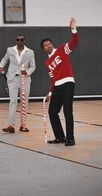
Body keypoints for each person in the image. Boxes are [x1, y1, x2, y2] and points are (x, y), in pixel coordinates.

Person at [41, 17, 79, 146]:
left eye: (49, 44)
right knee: (52, 112)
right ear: (43, 49)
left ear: (52, 44)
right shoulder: (47, 63)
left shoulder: (62, 49)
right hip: (57, 87)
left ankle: (70, 138)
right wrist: (50, 93)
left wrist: (73, 29)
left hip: (68, 84)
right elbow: (52, 79)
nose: (48, 46)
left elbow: (74, 43)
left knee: (67, 111)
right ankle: (60, 137)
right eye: (45, 46)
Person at [0, 34, 36, 133]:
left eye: (21, 39)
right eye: (18, 39)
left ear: (24, 40)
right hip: (12, 79)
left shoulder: (30, 52)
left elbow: (33, 66)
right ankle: (11, 126)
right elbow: (4, 59)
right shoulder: (10, 50)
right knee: (13, 101)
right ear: (16, 40)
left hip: (25, 80)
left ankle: (23, 125)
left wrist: (27, 72)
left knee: (24, 103)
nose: (20, 41)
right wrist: (1, 66)